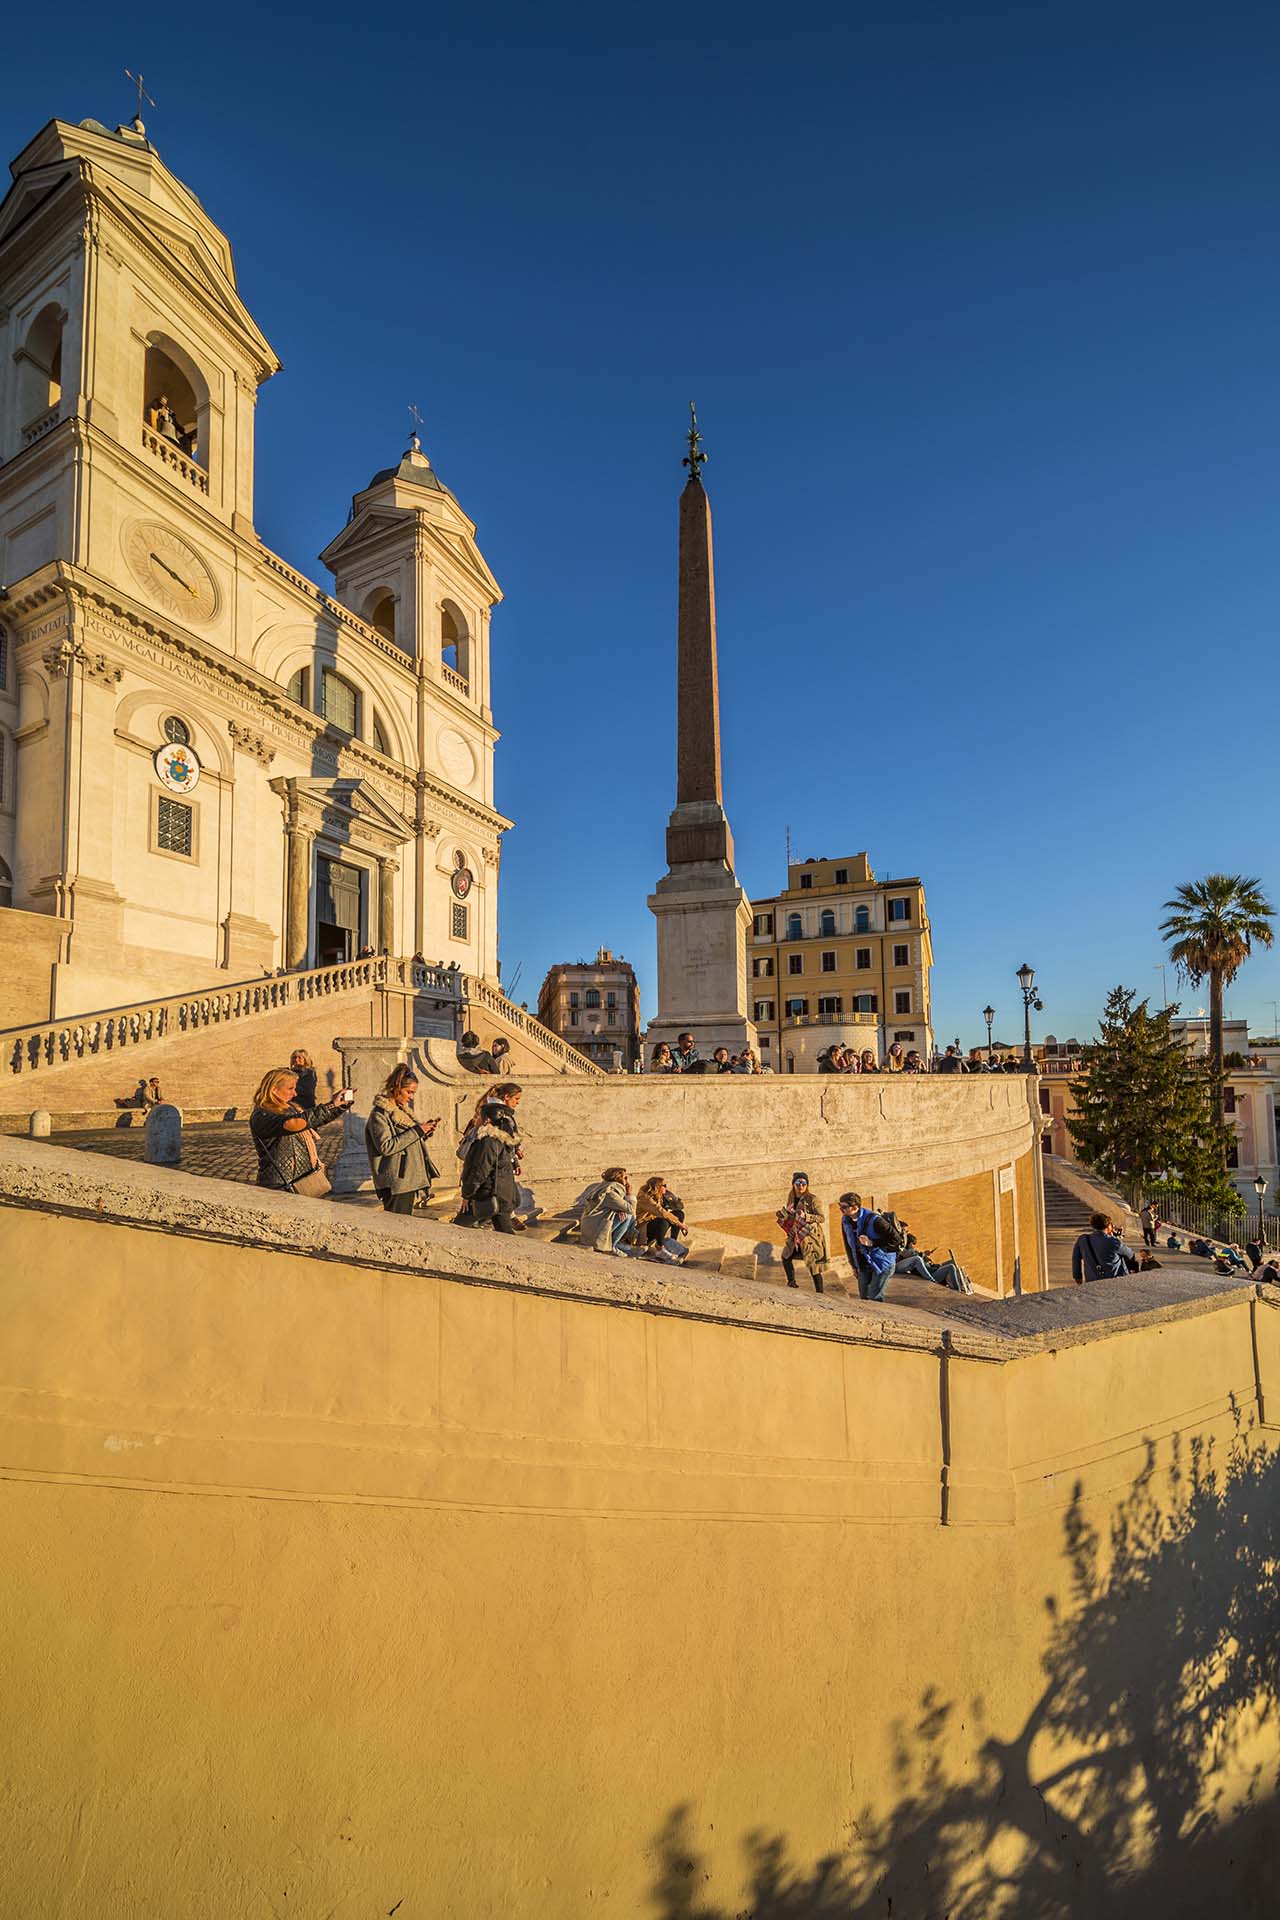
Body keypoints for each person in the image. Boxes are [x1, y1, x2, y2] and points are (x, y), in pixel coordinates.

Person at [250, 1066, 352, 1193]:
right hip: (281, 1184)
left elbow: (313, 1121)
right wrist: (330, 1105)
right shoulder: (262, 1114)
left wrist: (339, 1106)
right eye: (290, 1088)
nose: (295, 1093)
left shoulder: (290, 1108)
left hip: (303, 1180)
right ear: (274, 1090)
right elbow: (294, 1123)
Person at [364, 1064, 441, 1214]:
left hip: (406, 1180)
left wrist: (424, 1132)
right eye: (409, 1092)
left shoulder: (402, 1111)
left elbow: (407, 1140)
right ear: (397, 1087)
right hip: (396, 1181)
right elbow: (386, 1146)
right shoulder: (379, 1114)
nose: (411, 1097)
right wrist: (417, 1131)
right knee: (396, 1226)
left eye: (413, 1093)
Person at [458, 1082, 522, 1233]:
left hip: (489, 1191)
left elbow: (479, 1170)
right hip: (499, 1191)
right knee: (503, 1229)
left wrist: (467, 1194)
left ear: (486, 1120)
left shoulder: (488, 1141)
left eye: (479, 1116)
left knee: (459, 1226)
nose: (475, 1119)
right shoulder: (499, 1137)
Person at [837, 1192, 898, 1303]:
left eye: (844, 1207)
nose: (841, 1210)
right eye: (840, 1206)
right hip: (864, 1264)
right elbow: (848, 1245)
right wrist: (854, 1266)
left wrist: (872, 1242)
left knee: (874, 1297)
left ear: (855, 1207)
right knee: (864, 1298)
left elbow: (895, 1239)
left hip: (882, 1263)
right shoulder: (845, 1221)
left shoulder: (875, 1220)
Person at [776, 1174, 828, 1293]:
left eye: (803, 1184)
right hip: (795, 1234)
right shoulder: (791, 1198)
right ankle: (791, 1282)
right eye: (798, 1183)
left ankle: (820, 1292)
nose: (801, 1186)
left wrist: (807, 1216)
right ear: (793, 1185)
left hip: (809, 1236)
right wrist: (783, 1215)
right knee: (786, 1256)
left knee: (814, 1266)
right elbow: (793, 1215)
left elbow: (821, 1218)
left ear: (807, 1185)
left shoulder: (813, 1199)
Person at [579, 1165, 636, 1256]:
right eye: (625, 1177)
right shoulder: (610, 1192)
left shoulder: (606, 1187)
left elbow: (618, 1206)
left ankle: (614, 1244)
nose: (627, 1180)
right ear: (618, 1178)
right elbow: (631, 1209)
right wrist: (629, 1194)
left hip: (594, 1224)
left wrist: (619, 1210)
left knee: (625, 1215)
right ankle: (612, 1246)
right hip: (594, 1230)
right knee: (629, 1217)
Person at [635, 1175, 690, 1263]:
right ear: (658, 1187)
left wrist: (669, 1197)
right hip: (643, 1228)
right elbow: (660, 1212)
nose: (666, 1188)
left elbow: (676, 1206)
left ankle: (672, 1243)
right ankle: (660, 1249)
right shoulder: (645, 1198)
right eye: (664, 1186)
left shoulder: (658, 1196)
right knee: (663, 1220)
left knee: (679, 1213)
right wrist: (680, 1224)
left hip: (653, 1224)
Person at [1071, 1212, 1133, 1284]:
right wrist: (1114, 1238)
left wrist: (1078, 1277)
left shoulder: (1083, 1240)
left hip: (1092, 1280)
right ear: (1108, 1226)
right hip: (1115, 1279)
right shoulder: (1113, 1241)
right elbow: (1130, 1254)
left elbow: (1076, 1259)